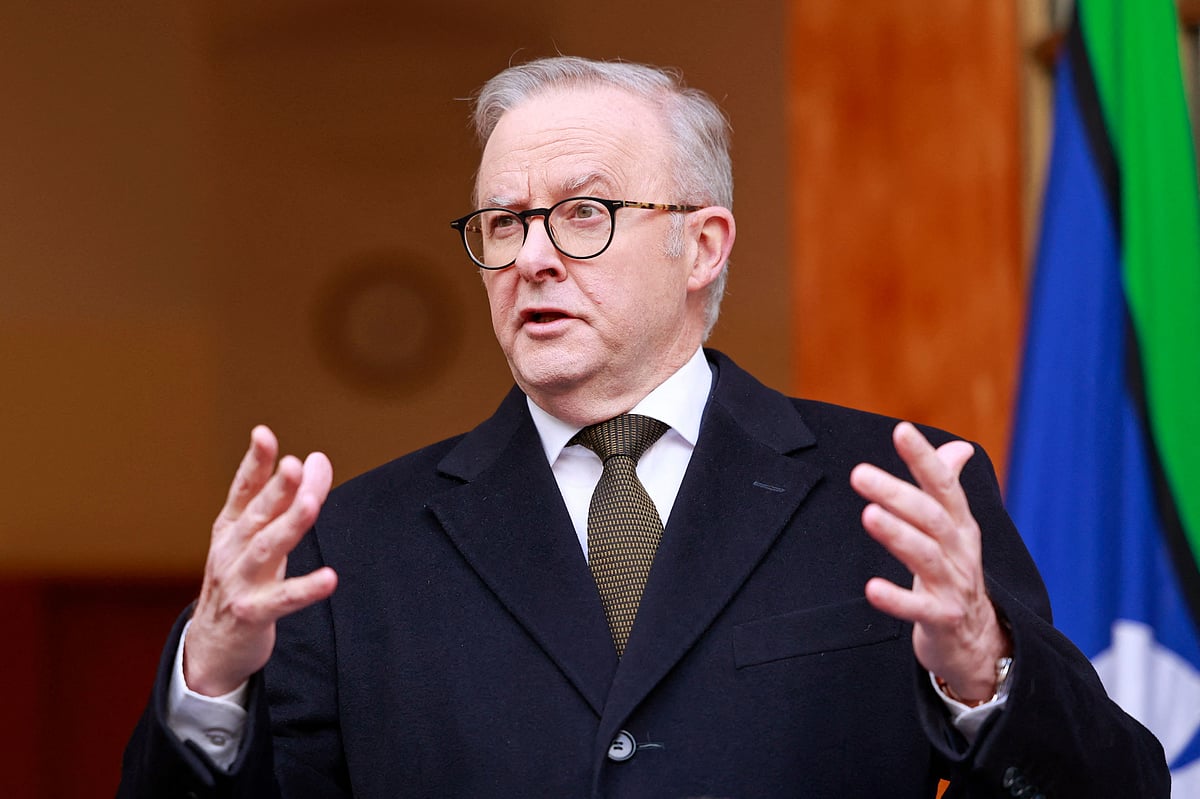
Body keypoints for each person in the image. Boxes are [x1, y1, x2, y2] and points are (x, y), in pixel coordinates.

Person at [117, 56, 1167, 798]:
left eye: (583, 213)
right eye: (502, 223)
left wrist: (985, 670)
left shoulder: (889, 496)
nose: (531, 256)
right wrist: (209, 680)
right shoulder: (350, 547)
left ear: (704, 243)